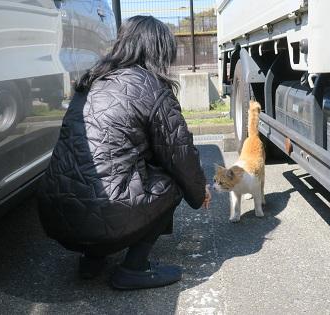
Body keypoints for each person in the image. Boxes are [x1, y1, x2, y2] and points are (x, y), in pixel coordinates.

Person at [37, 15, 211, 290]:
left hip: (54, 213)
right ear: (158, 50)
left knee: (94, 172)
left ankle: (92, 258)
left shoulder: (90, 81)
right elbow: (181, 156)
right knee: (175, 182)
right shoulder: (152, 89)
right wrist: (199, 191)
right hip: (103, 217)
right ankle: (134, 268)